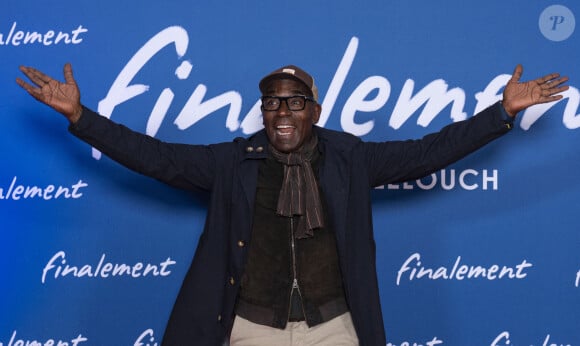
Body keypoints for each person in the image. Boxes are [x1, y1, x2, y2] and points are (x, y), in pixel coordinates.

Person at [17, 63, 568, 346]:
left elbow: (430, 151)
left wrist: (500, 114)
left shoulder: (351, 159)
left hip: (335, 328)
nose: (281, 110)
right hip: (254, 328)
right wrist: (81, 118)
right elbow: (154, 156)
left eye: (294, 101)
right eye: (272, 101)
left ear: (315, 109)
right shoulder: (231, 162)